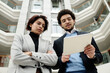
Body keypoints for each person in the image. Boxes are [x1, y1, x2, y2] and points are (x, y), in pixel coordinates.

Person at [53, 9, 103, 73]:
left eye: (69, 19)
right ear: (61, 25)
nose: (67, 22)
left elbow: (100, 59)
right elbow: (54, 65)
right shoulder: (57, 42)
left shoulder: (86, 36)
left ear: (74, 20)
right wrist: (61, 59)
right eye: (63, 21)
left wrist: (93, 55)